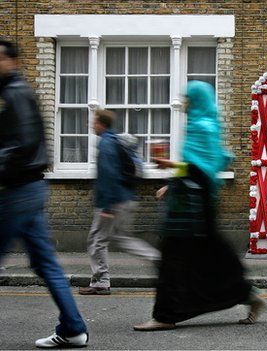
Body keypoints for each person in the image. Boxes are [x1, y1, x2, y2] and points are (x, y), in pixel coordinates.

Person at [133, 81, 266, 331]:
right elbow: (205, 165)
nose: (183, 102)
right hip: (195, 205)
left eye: (187, 98)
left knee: (174, 258)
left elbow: (197, 169)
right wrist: (172, 183)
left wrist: (170, 165)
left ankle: (165, 315)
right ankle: (248, 295)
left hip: (191, 209)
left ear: (196, 100)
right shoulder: (203, 126)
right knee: (208, 257)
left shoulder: (202, 128)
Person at [0, 39, 89, 348]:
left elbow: (22, 144)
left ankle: (74, 327)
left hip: (18, 191)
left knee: (45, 263)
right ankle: (73, 328)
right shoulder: (16, 92)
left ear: (12, 61)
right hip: (31, 188)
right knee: (45, 263)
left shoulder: (14, 93)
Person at [78, 110, 160, 295]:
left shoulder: (106, 143)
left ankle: (100, 282)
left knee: (97, 240)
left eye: (94, 121)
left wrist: (107, 206)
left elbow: (109, 175)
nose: (91, 125)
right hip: (126, 198)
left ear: (101, 124)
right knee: (122, 238)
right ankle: (157, 259)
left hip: (113, 201)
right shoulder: (114, 141)